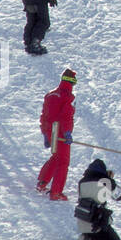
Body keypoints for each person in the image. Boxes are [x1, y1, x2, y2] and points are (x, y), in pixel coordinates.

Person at [75, 159, 121, 240]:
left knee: (97, 238)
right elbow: (119, 196)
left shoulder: (81, 182)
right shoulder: (105, 181)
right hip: (99, 223)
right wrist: (110, 179)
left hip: (83, 220)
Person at [37, 68, 76, 200]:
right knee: (63, 161)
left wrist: (45, 133)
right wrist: (67, 133)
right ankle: (56, 192)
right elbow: (66, 117)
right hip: (60, 132)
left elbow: (44, 115)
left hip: (50, 130)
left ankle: (42, 183)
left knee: (56, 157)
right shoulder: (68, 97)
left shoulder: (50, 95)